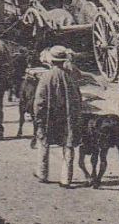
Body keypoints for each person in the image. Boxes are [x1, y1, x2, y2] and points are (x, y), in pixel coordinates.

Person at [31, 45, 84, 186]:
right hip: (68, 116)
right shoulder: (71, 75)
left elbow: (39, 101)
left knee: (44, 142)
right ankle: (66, 179)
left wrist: (38, 117)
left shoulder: (46, 76)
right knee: (68, 145)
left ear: (51, 61)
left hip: (51, 117)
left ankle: (42, 173)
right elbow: (78, 95)